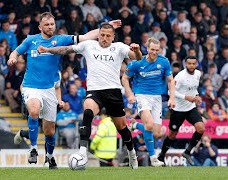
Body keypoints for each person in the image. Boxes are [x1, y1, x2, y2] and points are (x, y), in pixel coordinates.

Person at [7, 12, 122, 169]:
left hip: (49, 89)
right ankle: (33, 149)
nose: (50, 27)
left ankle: (50, 156)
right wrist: (12, 58)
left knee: (49, 130)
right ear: (40, 27)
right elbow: (16, 51)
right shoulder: (31, 40)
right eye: (46, 25)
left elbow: (85, 37)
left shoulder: (60, 40)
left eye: (52, 24)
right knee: (33, 111)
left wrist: (106, 26)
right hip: (31, 86)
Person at [37, 23, 142, 169]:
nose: (104, 38)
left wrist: (136, 51)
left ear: (113, 37)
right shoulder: (89, 45)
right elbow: (66, 49)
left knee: (122, 127)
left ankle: (132, 154)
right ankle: (82, 151)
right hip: (95, 91)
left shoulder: (119, 47)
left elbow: (137, 58)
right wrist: (48, 49)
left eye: (108, 36)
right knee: (87, 111)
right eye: (102, 35)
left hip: (113, 91)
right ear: (98, 34)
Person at [122, 37, 175, 167]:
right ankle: (153, 158)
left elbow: (170, 80)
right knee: (149, 125)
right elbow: (124, 78)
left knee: (157, 133)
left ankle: (135, 125)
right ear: (147, 48)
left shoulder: (164, 62)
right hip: (142, 95)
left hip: (157, 98)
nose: (154, 52)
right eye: (152, 49)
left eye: (157, 50)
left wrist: (172, 97)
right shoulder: (137, 63)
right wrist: (129, 94)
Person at [157, 56, 205, 166]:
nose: (191, 66)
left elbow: (193, 88)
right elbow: (170, 92)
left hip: (190, 108)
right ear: (185, 64)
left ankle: (187, 152)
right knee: (172, 135)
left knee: (201, 129)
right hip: (178, 109)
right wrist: (186, 97)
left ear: (196, 64)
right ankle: (161, 156)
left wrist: (196, 95)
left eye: (193, 63)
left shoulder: (198, 74)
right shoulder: (181, 76)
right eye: (189, 63)